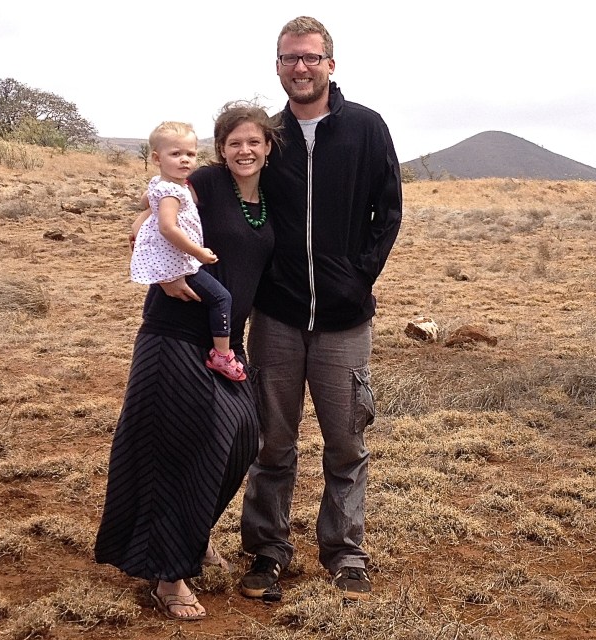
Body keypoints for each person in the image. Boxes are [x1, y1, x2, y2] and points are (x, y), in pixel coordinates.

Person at [238, 16, 403, 602]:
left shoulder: (365, 128)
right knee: (271, 444)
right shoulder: (268, 135)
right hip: (277, 317)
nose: (301, 68)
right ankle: (266, 551)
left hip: (344, 320)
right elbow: (220, 188)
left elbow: (389, 211)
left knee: (346, 442)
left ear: (331, 63)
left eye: (311, 57)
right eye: (290, 59)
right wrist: (155, 214)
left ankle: (344, 552)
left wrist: (357, 279)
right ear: (277, 66)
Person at [94, 102, 278, 621]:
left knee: (242, 434)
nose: (245, 151)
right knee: (180, 449)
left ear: (268, 147)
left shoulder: (270, 194)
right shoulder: (206, 182)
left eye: (255, 142)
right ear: (221, 149)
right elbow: (152, 213)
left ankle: (190, 536)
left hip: (225, 339)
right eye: (235, 142)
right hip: (175, 332)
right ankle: (168, 576)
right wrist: (156, 264)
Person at [130, 121, 245, 382]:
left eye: (190, 154)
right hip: (179, 263)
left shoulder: (167, 185)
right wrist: (200, 253)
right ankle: (222, 355)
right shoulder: (172, 191)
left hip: (176, 260)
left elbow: (145, 204)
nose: (185, 160)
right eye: (176, 154)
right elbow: (168, 228)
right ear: (157, 158)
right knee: (221, 299)